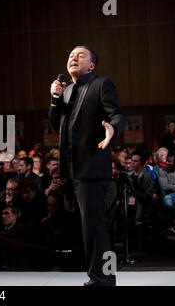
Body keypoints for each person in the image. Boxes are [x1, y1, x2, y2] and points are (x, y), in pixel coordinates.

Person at [49, 45, 125, 286]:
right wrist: (54, 99)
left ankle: (102, 278)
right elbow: (54, 124)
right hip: (72, 169)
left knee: (96, 225)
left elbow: (116, 115)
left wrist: (113, 129)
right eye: (70, 55)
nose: (73, 58)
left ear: (91, 65)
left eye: (80, 55)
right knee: (88, 225)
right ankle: (104, 276)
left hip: (92, 165)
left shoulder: (101, 84)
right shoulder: (68, 91)